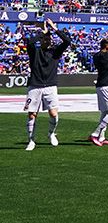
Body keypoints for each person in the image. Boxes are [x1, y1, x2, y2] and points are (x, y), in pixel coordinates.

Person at [24, 18, 71, 151]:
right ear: (41, 40)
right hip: (35, 86)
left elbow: (67, 41)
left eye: (49, 39)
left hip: (50, 86)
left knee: (53, 113)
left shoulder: (55, 53)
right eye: (45, 39)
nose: (47, 41)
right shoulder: (35, 52)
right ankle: (31, 140)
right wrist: (42, 32)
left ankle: (51, 133)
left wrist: (54, 28)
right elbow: (29, 43)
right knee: (32, 114)